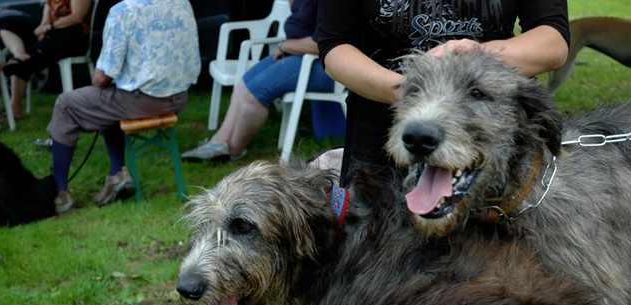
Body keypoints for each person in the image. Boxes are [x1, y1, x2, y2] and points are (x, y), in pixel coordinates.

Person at [317, 0, 570, 185]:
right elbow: (334, 46)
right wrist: (407, 91)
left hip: (490, 140)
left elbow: (553, 41)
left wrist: (479, 55)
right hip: (380, 139)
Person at [47, 0, 201, 214]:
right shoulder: (182, 3)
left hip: (143, 101)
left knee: (66, 104)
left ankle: (59, 193)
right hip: (178, 97)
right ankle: (117, 173)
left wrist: (99, 78)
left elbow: (102, 77)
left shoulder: (123, 11)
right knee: (107, 101)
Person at [182, 0, 335, 161]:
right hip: (297, 54)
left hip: (323, 65)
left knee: (253, 95)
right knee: (243, 84)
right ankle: (219, 141)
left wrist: (286, 46)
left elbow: (324, 43)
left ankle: (232, 150)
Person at [0, 0, 92, 119]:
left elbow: (77, 17)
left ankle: (24, 61)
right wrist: (41, 30)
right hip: (55, 38)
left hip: (76, 38)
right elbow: (44, 23)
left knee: (28, 59)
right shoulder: (50, 2)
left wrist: (50, 27)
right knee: (19, 40)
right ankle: (15, 107)